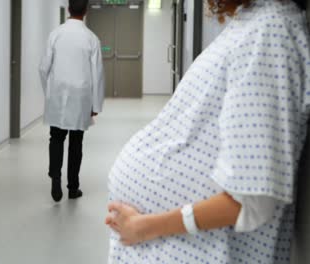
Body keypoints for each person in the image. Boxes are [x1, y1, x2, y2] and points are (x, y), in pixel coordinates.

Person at [105, 0, 310, 263]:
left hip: (196, 248)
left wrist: (146, 226)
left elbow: (252, 199)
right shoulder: (249, 22)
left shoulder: (270, 31)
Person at [39, 0, 105, 202]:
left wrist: (49, 92)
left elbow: (43, 68)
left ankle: (55, 180)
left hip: (58, 94)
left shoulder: (55, 34)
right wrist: (95, 105)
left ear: (68, 9)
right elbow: (97, 74)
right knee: (76, 142)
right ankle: (73, 187)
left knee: (56, 138)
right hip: (81, 96)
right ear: (85, 11)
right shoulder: (91, 39)